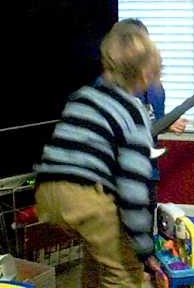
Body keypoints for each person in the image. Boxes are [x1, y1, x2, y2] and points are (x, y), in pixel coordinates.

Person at [34, 19, 164, 287]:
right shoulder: (133, 113)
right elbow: (133, 189)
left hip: (46, 192)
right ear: (144, 76)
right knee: (124, 268)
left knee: (99, 256)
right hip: (84, 196)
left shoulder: (83, 96)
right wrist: (144, 248)